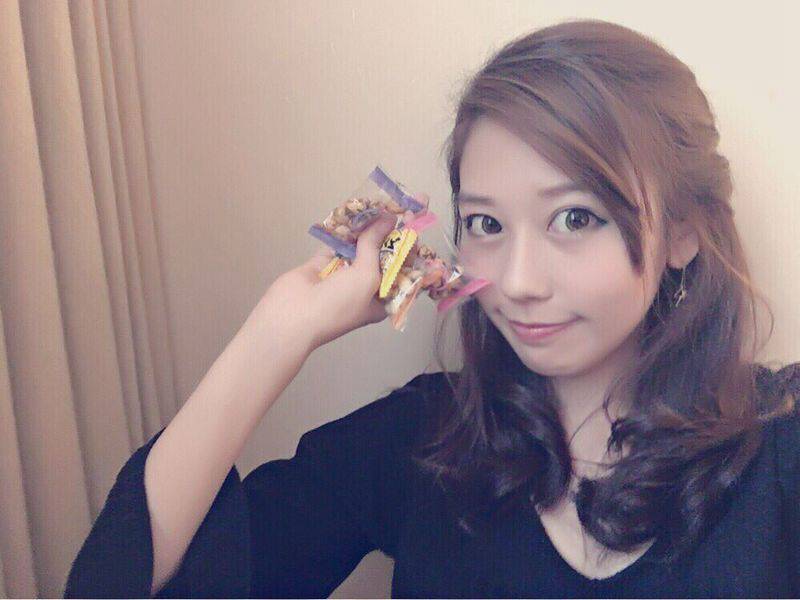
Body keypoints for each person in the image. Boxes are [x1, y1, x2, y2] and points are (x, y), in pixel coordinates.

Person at [64, 18, 799, 598]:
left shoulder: (780, 451)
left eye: (575, 218)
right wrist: (279, 331)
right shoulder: (426, 441)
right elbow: (115, 584)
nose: (518, 281)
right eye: (485, 223)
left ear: (683, 231)